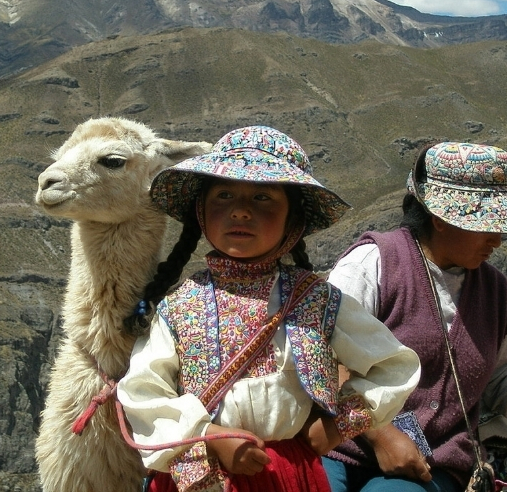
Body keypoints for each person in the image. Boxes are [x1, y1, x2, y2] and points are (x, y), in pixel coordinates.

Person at [117, 125, 422, 492]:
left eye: (263, 198)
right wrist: (208, 435)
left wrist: (338, 423)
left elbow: (394, 365)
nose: (241, 212)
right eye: (224, 195)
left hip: (289, 477)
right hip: (200, 474)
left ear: (293, 219)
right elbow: (142, 392)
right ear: (201, 210)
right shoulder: (181, 306)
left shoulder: (315, 299)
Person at [322, 141, 507, 492]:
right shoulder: (373, 265)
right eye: (487, 224)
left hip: (433, 461)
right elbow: (325, 358)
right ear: (440, 219)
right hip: (339, 443)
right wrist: (382, 436)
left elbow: (502, 378)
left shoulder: (495, 292)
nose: (498, 239)